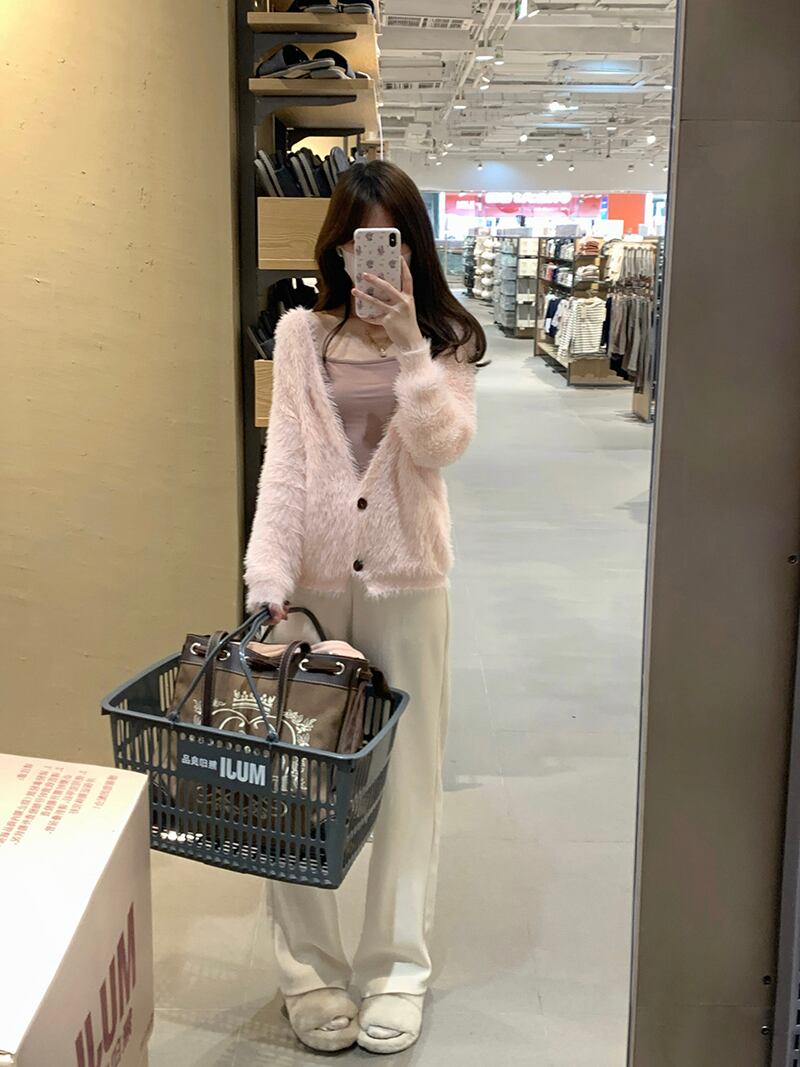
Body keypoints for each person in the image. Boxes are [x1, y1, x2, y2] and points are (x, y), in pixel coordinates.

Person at [244, 159, 486, 1055]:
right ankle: (308, 973)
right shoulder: (300, 335)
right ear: (338, 250)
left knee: (410, 781)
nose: (371, 258)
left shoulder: (448, 339)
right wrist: (267, 572)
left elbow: (442, 445)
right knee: (293, 776)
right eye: (356, 241)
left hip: (408, 584)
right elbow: (285, 460)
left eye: (388, 240)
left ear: (412, 247)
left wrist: (410, 346)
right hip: (312, 586)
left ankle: (395, 972)